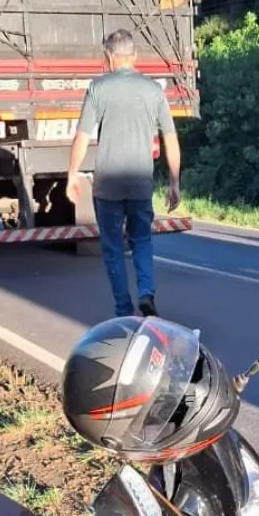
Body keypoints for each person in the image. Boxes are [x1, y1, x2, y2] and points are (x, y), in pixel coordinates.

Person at [66, 29, 181, 318]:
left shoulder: (98, 88)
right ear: (135, 56)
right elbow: (171, 139)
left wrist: (72, 174)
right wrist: (174, 182)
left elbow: (82, 136)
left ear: (109, 56)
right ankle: (146, 293)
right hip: (140, 183)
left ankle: (123, 309)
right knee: (142, 240)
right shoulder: (154, 90)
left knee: (113, 247)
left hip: (107, 187)